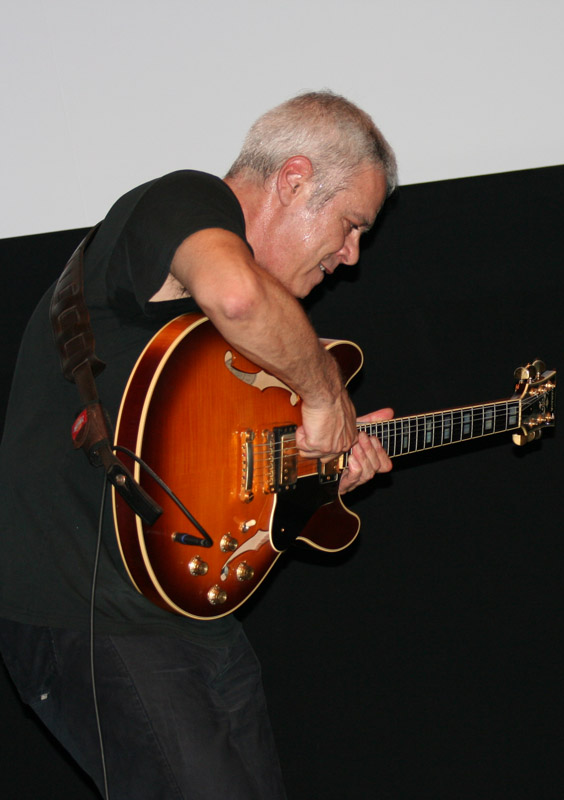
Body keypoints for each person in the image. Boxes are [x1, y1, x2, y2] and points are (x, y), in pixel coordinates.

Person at [0, 91, 398, 798]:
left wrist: (318, 474)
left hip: (190, 622)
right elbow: (237, 296)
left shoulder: (230, 346)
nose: (351, 255)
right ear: (294, 178)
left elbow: (222, 475)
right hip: (91, 616)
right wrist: (324, 395)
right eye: (349, 225)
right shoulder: (181, 203)